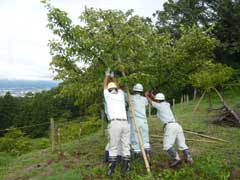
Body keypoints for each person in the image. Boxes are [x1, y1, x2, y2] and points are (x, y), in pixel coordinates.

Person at [145, 91, 193, 167]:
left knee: (167, 146)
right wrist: (151, 95)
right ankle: (189, 158)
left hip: (170, 127)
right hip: (177, 125)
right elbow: (155, 100)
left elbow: (151, 102)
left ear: (157, 100)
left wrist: (147, 96)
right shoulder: (167, 104)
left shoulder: (159, 106)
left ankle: (177, 159)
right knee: (182, 144)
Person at [103, 68, 131, 177]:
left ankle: (111, 170)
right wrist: (113, 77)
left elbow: (105, 87)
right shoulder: (120, 95)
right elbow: (117, 86)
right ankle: (126, 170)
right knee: (125, 147)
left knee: (113, 146)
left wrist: (107, 76)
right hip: (125, 123)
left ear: (109, 90)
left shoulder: (108, 95)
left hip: (115, 124)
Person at [127, 83, 151, 162]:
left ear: (134, 90)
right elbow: (147, 103)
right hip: (144, 121)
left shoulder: (130, 97)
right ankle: (147, 153)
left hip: (135, 121)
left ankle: (137, 159)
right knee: (145, 138)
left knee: (135, 139)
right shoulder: (144, 99)